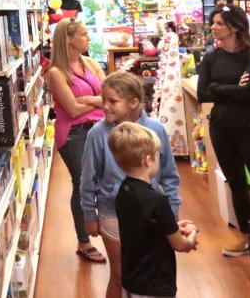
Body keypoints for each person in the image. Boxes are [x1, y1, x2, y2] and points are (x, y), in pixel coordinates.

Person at [81, 71, 182, 298]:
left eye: (112, 101)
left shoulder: (154, 129)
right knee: (119, 274)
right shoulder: (98, 134)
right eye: (103, 99)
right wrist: (89, 214)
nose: (104, 106)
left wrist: (173, 209)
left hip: (152, 215)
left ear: (134, 102)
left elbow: (169, 174)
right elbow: (88, 178)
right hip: (112, 214)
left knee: (149, 274)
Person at [198, 4, 250, 256]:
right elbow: (202, 93)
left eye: (219, 23)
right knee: (236, 182)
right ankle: (247, 236)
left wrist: (219, 87)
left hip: (249, 126)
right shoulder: (211, 57)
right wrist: (234, 88)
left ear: (234, 26)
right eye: (213, 23)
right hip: (220, 126)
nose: (213, 27)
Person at [109, 121, 199, 298]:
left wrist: (173, 226)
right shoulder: (157, 200)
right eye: (157, 155)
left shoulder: (124, 191)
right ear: (148, 160)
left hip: (132, 280)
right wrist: (193, 235)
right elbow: (180, 245)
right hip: (156, 285)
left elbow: (144, 226)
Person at [45, 18, 106, 263]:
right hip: (73, 134)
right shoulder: (55, 73)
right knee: (82, 183)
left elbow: (109, 93)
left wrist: (88, 101)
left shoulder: (90, 63)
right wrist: (95, 100)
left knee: (102, 179)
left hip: (100, 128)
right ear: (69, 39)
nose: (88, 38)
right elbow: (71, 109)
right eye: (83, 34)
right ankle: (83, 241)